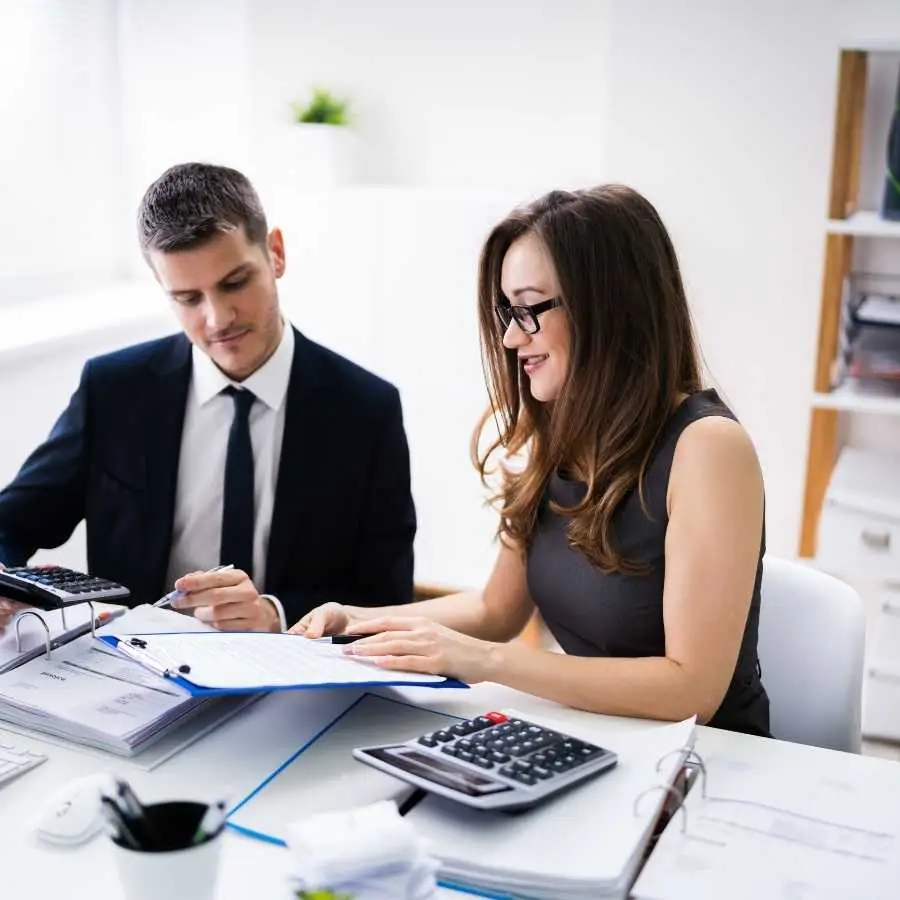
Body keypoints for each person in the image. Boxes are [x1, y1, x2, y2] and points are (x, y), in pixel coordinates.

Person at [292, 185, 770, 735]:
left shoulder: (709, 448)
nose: (510, 337)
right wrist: (355, 620)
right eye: (506, 312)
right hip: (607, 740)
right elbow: (496, 611)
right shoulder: (561, 434)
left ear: (611, 305)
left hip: (710, 763)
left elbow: (692, 690)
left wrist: (487, 662)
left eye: (529, 310)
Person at [0, 162, 416, 633]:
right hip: (135, 673)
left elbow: (387, 597)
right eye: (187, 298)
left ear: (275, 253)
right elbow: (11, 523)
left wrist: (274, 614)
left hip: (294, 674)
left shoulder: (365, 409)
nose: (218, 319)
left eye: (235, 283)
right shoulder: (113, 388)